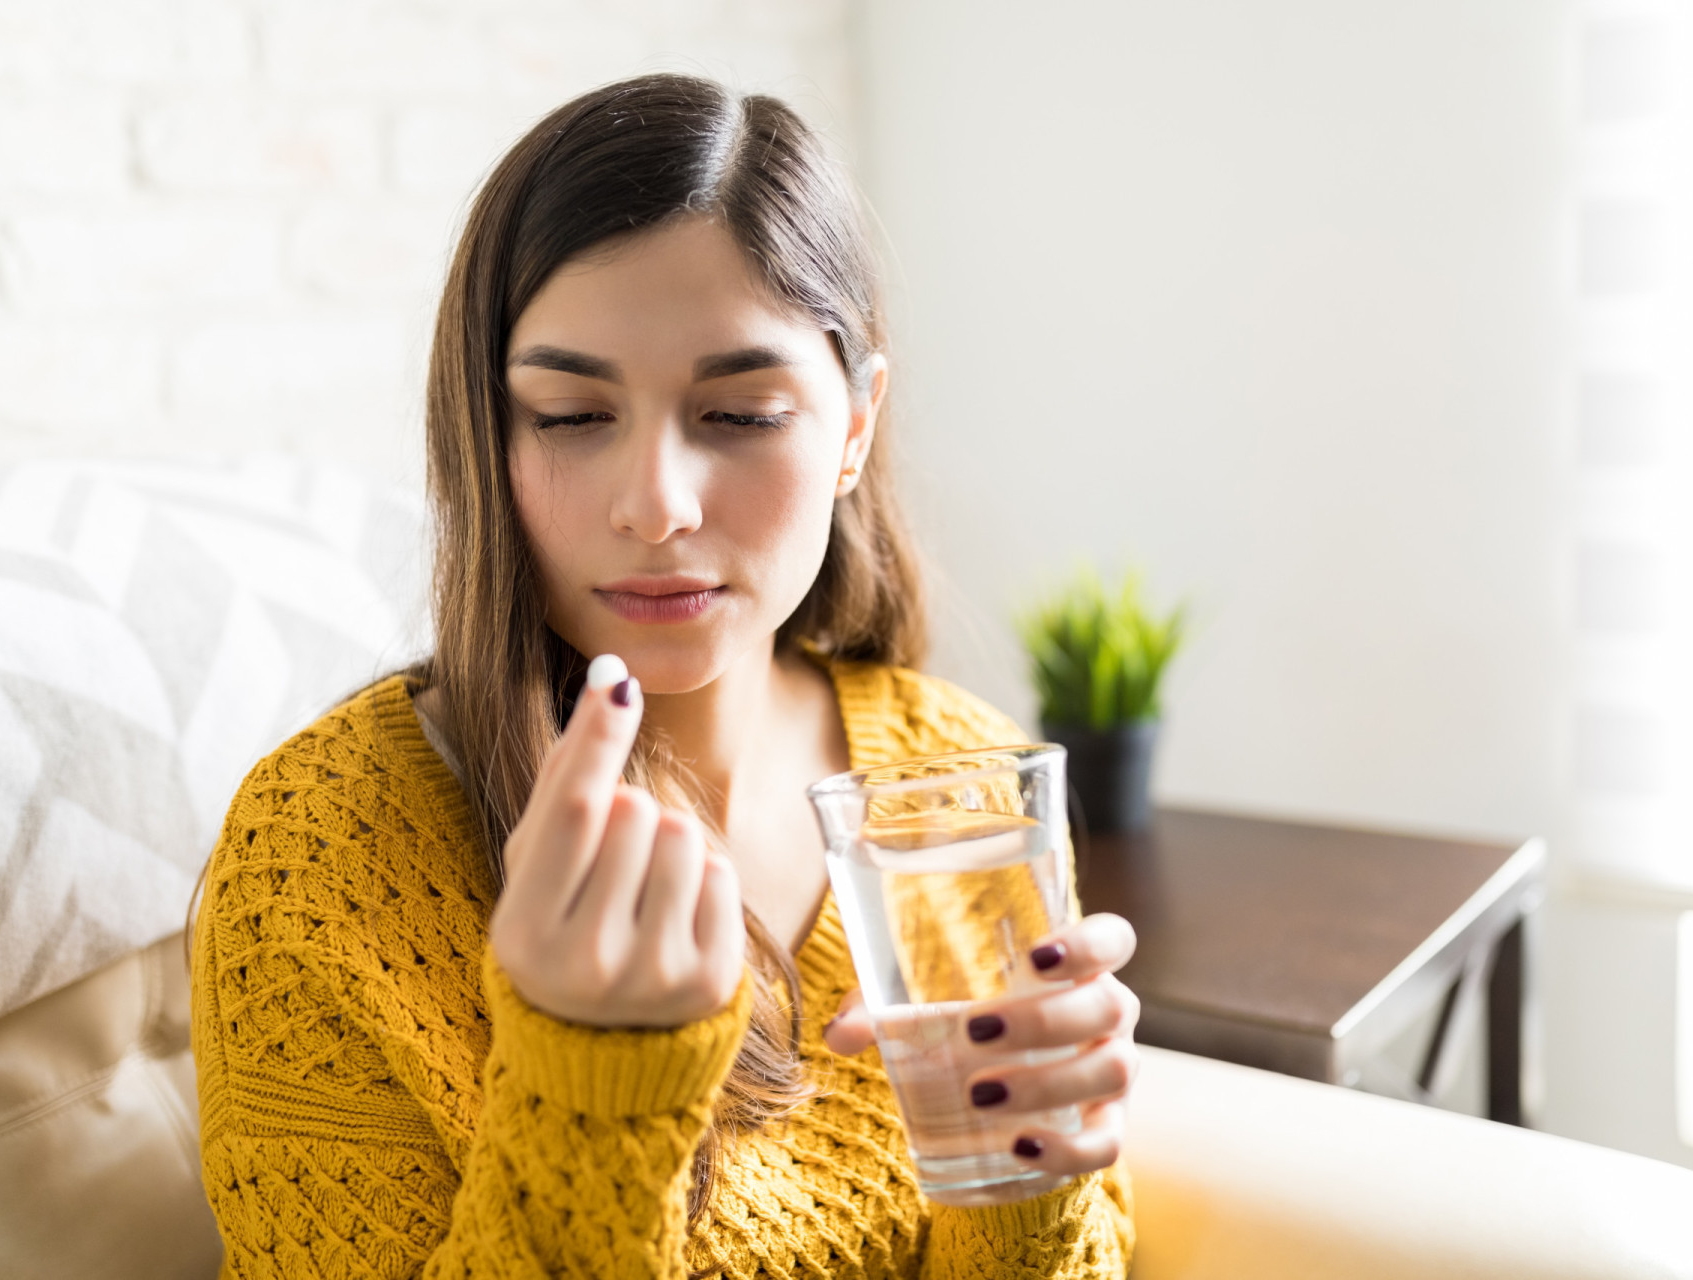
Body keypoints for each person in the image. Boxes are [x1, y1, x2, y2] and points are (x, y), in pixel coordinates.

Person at [191, 73, 1139, 1279]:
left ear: (853, 425)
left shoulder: (960, 785)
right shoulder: (322, 855)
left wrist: (1027, 1176)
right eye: (573, 415)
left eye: (740, 414)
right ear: (486, 433)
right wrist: (593, 1085)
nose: (657, 504)